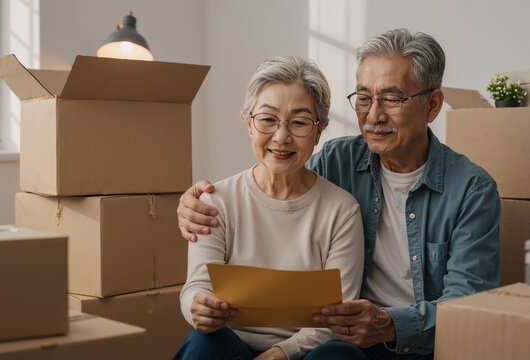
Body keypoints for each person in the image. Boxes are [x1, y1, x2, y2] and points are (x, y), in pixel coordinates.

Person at [177, 29, 501, 359]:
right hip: (345, 339)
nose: (374, 115)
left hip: (410, 346)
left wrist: (389, 324)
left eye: (391, 99)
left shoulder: (471, 191)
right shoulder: (337, 160)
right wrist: (192, 201)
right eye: (364, 98)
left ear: (432, 105)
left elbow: (467, 307)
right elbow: (282, 173)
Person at [173, 56, 365, 360]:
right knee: (202, 343)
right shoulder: (216, 202)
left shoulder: (342, 211)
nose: (281, 136)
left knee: (340, 357)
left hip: (306, 352)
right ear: (248, 123)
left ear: (319, 131)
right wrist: (197, 306)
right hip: (233, 346)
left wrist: (282, 353)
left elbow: (337, 316)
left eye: (299, 122)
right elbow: (196, 286)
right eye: (267, 119)